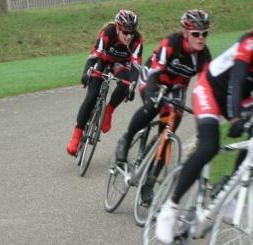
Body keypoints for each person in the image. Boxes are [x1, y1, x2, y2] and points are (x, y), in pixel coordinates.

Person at [155, 31, 253, 244]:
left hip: (242, 97)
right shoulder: (249, 43)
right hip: (210, 90)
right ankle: (169, 208)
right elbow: (235, 82)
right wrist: (235, 118)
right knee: (210, 145)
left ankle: (225, 190)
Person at [114, 10, 212, 203]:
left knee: (167, 132)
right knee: (153, 107)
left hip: (176, 88)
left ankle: (149, 183)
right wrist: (151, 96)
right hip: (153, 78)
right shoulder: (172, 43)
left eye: (205, 33)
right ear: (185, 33)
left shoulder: (203, 56)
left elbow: (205, 89)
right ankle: (126, 139)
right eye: (196, 34)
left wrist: (204, 119)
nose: (201, 38)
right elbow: (154, 73)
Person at [66, 9, 144, 156]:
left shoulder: (137, 40)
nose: (128, 36)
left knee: (126, 82)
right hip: (103, 60)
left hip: (121, 64)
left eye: (131, 33)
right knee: (92, 96)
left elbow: (136, 66)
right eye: (125, 32)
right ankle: (76, 136)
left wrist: (132, 87)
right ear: (118, 28)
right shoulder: (108, 33)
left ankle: (108, 111)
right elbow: (94, 55)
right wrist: (86, 73)